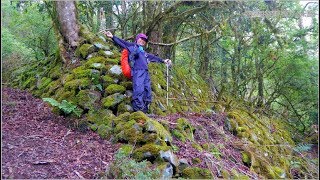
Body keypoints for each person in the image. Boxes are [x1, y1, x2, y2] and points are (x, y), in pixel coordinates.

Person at [104, 31, 172, 113]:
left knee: (147, 91)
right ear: (137, 39)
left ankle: (145, 111)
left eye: (144, 40)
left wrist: (163, 60)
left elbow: (153, 57)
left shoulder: (144, 53)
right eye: (141, 39)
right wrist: (112, 37)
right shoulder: (132, 46)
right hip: (137, 71)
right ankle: (138, 111)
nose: (142, 41)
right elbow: (122, 42)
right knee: (139, 90)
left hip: (145, 72)